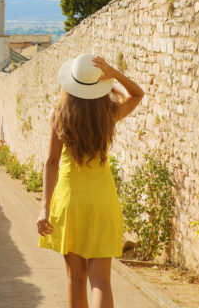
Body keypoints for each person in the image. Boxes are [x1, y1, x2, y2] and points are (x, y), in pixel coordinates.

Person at [37, 54, 144, 308]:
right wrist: (114, 73)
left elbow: (51, 162)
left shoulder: (59, 115)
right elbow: (137, 94)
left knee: (75, 279)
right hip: (102, 202)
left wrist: (44, 207)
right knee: (101, 282)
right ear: (99, 84)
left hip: (70, 201)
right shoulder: (108, 114)